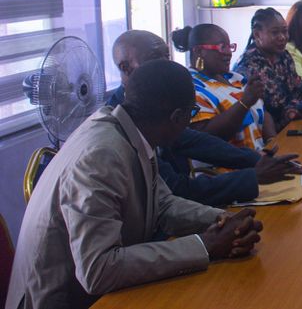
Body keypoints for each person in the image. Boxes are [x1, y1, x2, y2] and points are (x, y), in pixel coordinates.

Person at [6, 60, 263, 309]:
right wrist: (205, 246)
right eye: (191, 114)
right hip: (60, 299)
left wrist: (222, 220)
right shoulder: (101, 156)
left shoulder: (129, 128)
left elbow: (162, 203)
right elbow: (98, 270)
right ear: (177, 117)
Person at [110, 30, 302, 207]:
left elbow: (195, 141)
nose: (165, 64)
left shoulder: (156, 99)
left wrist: (256, 160)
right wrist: (253, 176)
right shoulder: (120, 123)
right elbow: (176, 190)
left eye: (166, 56)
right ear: (125, 67)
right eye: (154, 58)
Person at [171, 23, 276, 150]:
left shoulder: (235, 78)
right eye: (222, 47)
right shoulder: (191, 87)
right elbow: (207, 137)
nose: (229, 53)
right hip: (230, 162)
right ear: (199, 51)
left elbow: (261, 110)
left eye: (229, 46)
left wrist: (272, 142)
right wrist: (244, 103)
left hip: (261, 156)